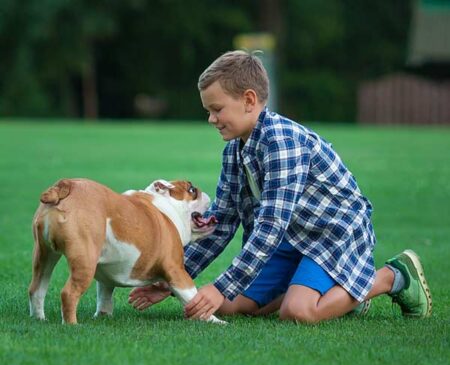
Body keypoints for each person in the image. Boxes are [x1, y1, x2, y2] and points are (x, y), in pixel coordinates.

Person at [129, 50, 432, 323]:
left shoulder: (281, 142)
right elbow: (220, 224)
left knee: (298, 311)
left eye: (217, 109)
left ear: (248, 100)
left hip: (332, 234)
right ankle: (339, 294)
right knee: (230, 306)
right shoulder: (234, 150)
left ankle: (393, 276)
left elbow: (271, 226)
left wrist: (220, 286)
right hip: (290, 239)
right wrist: (176, 280)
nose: (211, 118)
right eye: (208, 110)